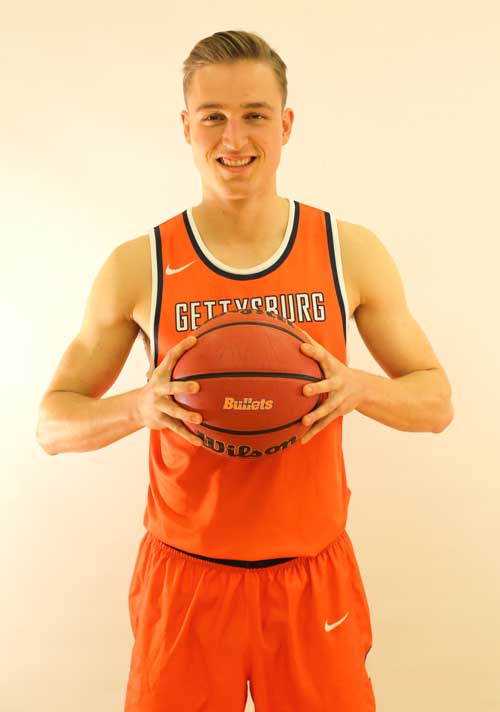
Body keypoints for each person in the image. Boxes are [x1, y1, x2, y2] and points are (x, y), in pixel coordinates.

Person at [36, 29, 453, 712]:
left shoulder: (346, 251)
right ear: (186, 127)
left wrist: (358, 389)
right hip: (186, 585)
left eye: (256, 114)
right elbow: (52, 424)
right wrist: (140, 406)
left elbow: (436, 402)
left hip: (311, 580)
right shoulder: (139, 265)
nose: (235, 137)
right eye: (214, 117)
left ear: (285, 125)